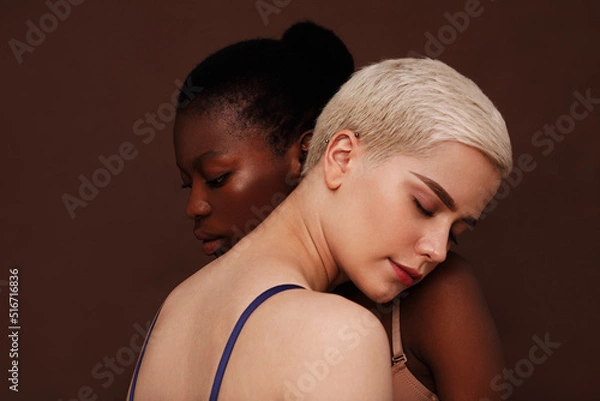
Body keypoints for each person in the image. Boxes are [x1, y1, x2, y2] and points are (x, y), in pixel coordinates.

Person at [127, 53, 512, 401]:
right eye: (424, 206)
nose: (439, 250)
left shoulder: (175, 310)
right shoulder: (341, 336)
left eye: (457, 231)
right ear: (342, 157)